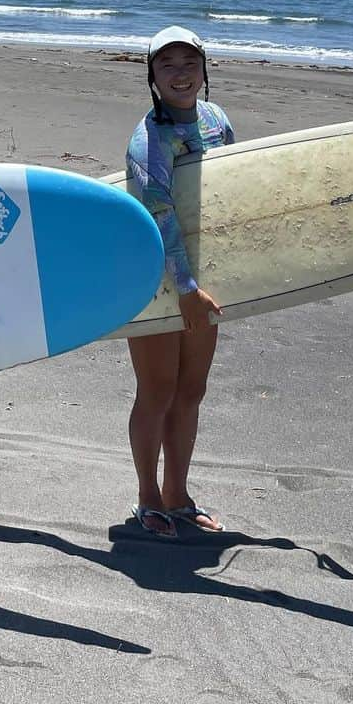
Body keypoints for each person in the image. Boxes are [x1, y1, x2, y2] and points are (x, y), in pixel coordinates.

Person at [124, 26, 235, 538]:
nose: (180, 73)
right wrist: (187, 289)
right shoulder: (148, 140)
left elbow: (231, 193)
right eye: (166, 64)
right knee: (157, 390)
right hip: (154, 277)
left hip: (203, 274)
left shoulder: (216, 122)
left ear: (204, 68)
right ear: (152, 75)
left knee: (191, 389)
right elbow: (160, 214)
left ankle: (178, 492)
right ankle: (149, 495)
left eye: (189, 61)